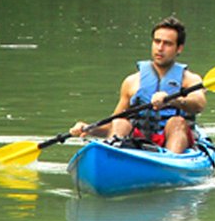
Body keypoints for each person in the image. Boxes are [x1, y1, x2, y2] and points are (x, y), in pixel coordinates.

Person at [69, 15, 206, 153]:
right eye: (157, 41)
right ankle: (113, 155)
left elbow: (199, 104)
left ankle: (171, 164)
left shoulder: (190, 80)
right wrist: (89, 128)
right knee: (120, 122)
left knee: (177, 122)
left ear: (179, 48)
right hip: (141, 140)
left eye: (167, 44)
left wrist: (173, 100)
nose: (160, 48)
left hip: (175, 141)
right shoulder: (132, 81)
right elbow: (112, 124)